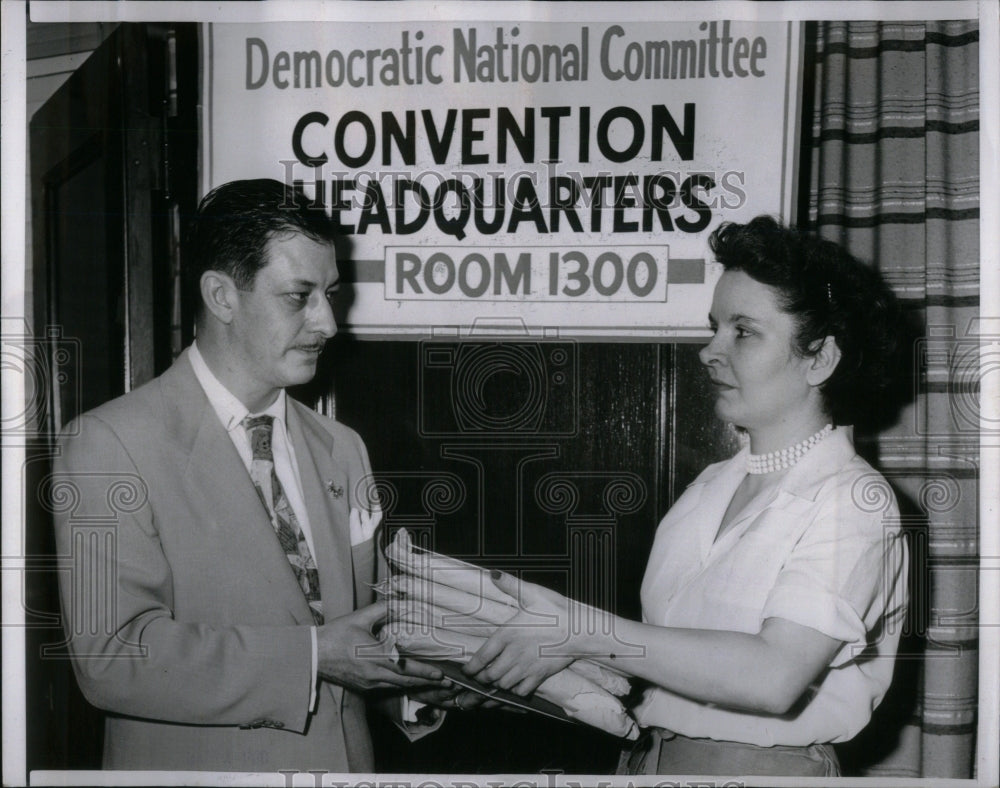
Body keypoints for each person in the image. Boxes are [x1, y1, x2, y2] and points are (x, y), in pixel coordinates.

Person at [462, 215, 909, 777]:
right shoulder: (707, 489)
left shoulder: (853, 499)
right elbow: (664, 661)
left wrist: (580, 630)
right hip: (645, 761)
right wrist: (520, 665)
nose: (709, 350)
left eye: (743, 331)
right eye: (714, 326)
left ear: (819, 358)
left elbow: (773, 678)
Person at [50, 179, 451, 772]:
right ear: (221, 295)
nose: (329, 324)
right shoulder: (107, 444)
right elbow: (113, 658)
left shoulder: (344, 449)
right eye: (300, 296)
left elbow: (356, 643)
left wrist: (416, 684)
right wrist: (312, 657)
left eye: (331, 294)